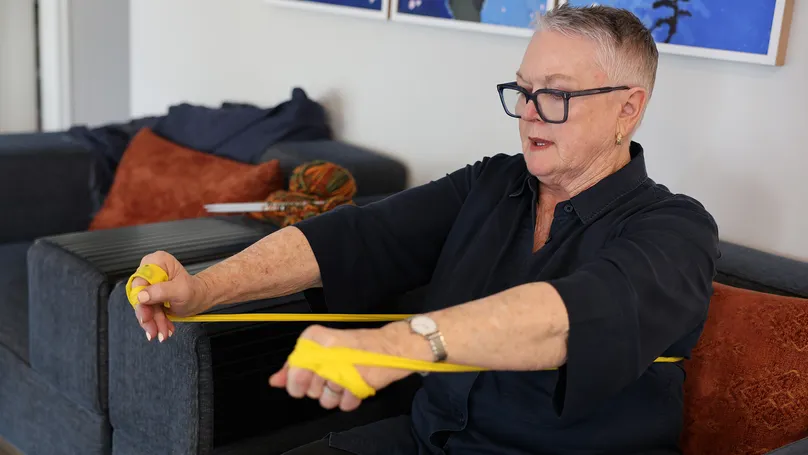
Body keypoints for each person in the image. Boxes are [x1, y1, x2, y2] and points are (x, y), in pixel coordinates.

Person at [131, 5, 719, 454]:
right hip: (429, 440)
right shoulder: (492, 183)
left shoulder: (677, 230)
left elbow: (570, 317)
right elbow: (357, 237)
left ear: (628, 109)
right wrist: (203, 288)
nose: (530, 111)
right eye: (523, 90)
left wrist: (397, 345)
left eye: (557, 94)